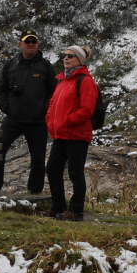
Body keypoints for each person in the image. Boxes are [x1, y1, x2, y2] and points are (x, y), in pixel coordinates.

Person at [0, 32, 54, 198]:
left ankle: (34, 192)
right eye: (27, 41)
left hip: (38, 121)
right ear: (20, 44)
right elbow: (0, 89)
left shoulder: (46, 66)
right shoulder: (11, 64)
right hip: (13, 119)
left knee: (38, 159)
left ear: (38, 44)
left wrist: (44, 110)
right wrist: (7, 107)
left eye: (34, 41)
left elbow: (55, 92)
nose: (31, 44)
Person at [44, 44, 99, 222]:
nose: (66, 58)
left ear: (80, 60)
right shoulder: (63, 80)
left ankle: (76, 210)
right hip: (61, 133)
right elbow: (53, 104)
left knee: (75, 172)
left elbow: (87, 110)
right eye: (64, 55)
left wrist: (66, 121)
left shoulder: (85, 80)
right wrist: (49, 118)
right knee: (53, 169)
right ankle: (58, 206)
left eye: (71, 56)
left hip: (77, 134)